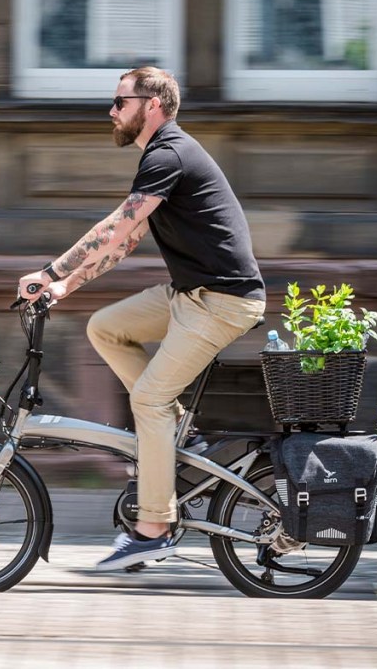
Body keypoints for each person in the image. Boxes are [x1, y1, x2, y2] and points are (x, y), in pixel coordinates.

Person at [18, 67, 266, 572]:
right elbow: (126, 241)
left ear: (151, 105)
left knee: (148, 398)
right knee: (106, 327)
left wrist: (50, 270)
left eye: (119, 102)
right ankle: (178, 436)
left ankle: (152, 529)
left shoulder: (169, 152)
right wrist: (67, 286)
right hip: (190, 294)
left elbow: (118, 223)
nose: (111, 111)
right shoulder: (162, 158)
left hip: (223, 300)